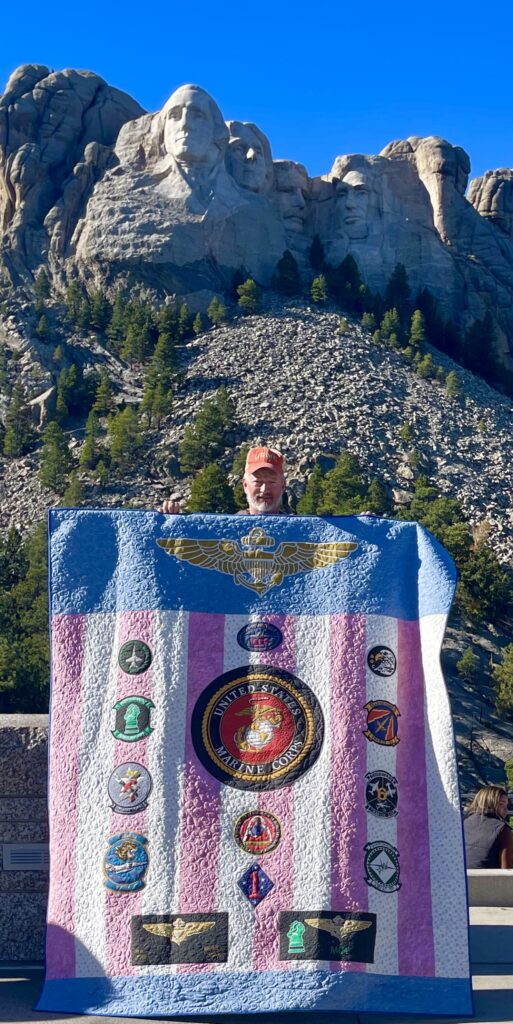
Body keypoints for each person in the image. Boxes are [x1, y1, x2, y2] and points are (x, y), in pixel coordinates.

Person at [158, 446, 287, 515]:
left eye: (272, 482)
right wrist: (170, 518)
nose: (265, 489)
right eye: (258, 482)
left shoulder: (301, 533)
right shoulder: (224, 529)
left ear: (283, 486)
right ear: (245, 485)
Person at [463, 785, 513, 869]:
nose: (506, 810)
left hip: (461, 880)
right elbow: (507, 873)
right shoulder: (503, 830)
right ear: (489, 803)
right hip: (489, 880)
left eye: (506, 806)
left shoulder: (463, 824)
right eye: (501, 804)